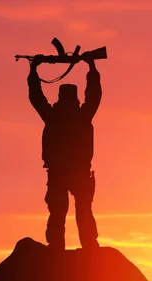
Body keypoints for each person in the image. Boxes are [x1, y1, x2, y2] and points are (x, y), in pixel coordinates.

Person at [27, 54, 101, 251]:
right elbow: (94, 95)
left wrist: (34, 71)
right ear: (75, 99)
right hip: (76, 172)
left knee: (60, 212)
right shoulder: (83, 116)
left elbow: (36, 97)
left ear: (60, 98)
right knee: (82, 211)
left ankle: (59, 248)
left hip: (62, 172)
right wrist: (91, 68)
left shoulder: (54, 117)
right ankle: (87, 247)